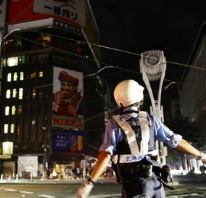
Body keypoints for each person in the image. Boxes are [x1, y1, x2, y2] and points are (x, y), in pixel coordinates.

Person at [76, 79, 206, 198]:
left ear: (119, 100)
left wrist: (89, 183)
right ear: (139, 97)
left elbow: (106, 155)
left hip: (135, 185)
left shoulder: (114, 122)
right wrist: (201, 156)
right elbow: (176, 141)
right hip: (156, 182)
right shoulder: (150, 119)